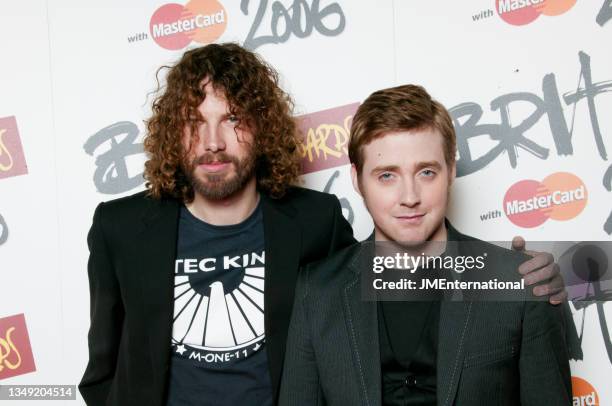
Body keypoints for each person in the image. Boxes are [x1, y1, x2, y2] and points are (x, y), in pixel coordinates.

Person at [79, 43, 564, 406]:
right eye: (194, 121)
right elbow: (101, 371)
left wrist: (527, 277)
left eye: (232, 120)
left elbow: (388, 273)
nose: (212, 142)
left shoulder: (314, 223)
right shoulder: (119, 228)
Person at [279, 84, 572, 405]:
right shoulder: (317, 292)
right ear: (357, 179)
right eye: (387, 176)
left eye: (427, 172)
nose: (409, 197)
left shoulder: (523, 283)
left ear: (451, 172)